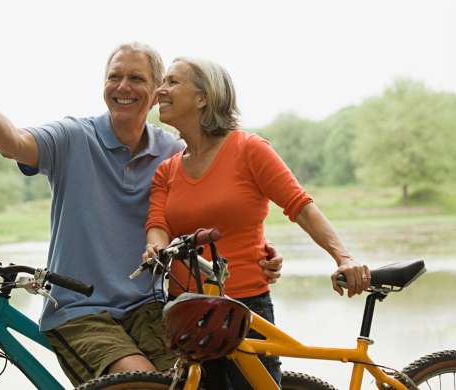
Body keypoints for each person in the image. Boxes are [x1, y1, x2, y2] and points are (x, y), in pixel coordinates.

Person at [0, 43, 284, 386]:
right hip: (80, 310)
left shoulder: (174, 152)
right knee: (142, 383)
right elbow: (12, 143)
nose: (123, 86)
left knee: (197, 382)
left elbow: (214, 208)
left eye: (136, 78)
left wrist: (260, 249)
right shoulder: (73, 136)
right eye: (114, 77)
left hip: (152, 307)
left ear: (157, 94)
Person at [143, 57, 371, 389]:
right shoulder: (167, 170)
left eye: (172, 82)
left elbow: (300, 206)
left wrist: (344, 257)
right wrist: (157, 250)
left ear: (203, 97)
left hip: (245, 308)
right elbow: (158, 223)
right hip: (187, 308)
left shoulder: (248, 149)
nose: (160, 90)